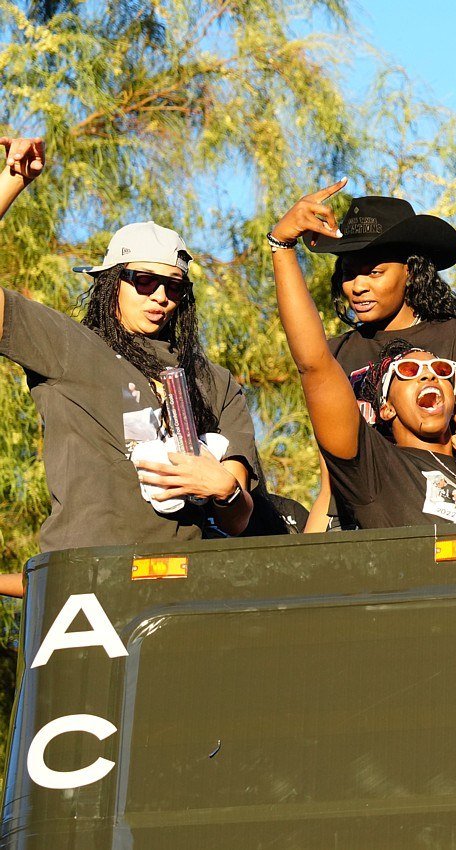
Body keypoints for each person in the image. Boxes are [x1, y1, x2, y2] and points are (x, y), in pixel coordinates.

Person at [0, 136, 258, 595]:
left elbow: (240, 520)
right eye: (144, 281)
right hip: (85, 581)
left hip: (187, 589)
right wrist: (12, 183)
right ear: (110, 285)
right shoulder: (68, 346)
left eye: (174, 287)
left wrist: (223, 489)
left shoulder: (216, 384)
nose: (160, 296)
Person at [269, 182, 456, 531]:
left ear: (410, 271)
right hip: (354, 519)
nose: (357, 286)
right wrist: (281, 246)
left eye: (374, 272)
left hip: (448, 518)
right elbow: (331, 483)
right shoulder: (337, 354)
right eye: (348, 273)